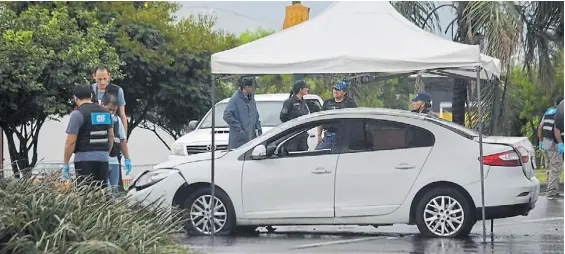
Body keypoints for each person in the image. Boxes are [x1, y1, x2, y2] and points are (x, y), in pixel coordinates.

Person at [63, 85, 114, 187]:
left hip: (84, 160)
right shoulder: (105, 112)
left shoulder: (77, 114)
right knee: (101, 194)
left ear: (75, 98)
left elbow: (71, 142)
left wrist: (65, 163)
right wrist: (105, 153)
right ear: (91, 96)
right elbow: (111, 136)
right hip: (103, 160)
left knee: (86, 197)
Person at [91, 65, 128, 190]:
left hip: (113, 132)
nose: (102, 82)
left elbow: (122, 115)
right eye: (99, 79)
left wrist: (124, 140)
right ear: (94, 77)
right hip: (96, 136)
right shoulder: (91, 91)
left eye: (104, 79)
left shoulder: (117, 91)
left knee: (115, 183)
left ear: (109, 76)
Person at [101, 94, 132, 193]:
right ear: (102, 104)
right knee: (106, 191)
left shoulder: (117, 120)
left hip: (114, 160)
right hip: (102, 161)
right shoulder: (97, 119)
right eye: (109, 109)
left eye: (113, 111)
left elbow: (122, 140)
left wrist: (127, 159)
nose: (111, 113)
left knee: (114, 191)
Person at [223, 77, 262, 149]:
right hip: (239, 143)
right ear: (247, 87)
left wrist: (259, 130)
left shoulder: (251, 100)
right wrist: (240, 130)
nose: (255, 90)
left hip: (251, 141)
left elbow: (256, 116)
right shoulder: (235, 99)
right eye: (253, 88)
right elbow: (226, 115)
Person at [316, 81, 357, 150]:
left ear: (344, 92)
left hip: (344, 136)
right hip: (328, 135)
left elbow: (356, 121)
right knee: (318, 153)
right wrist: (319, 135)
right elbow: (320, 120)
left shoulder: (350, 103)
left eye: (338, 89)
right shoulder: (327, 103)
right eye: (334, 89)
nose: (335, 91)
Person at [538, 97, 564, 200]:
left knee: (550, 167)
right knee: (556, 167)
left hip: (545, 143)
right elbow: (556, 130)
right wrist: (561, 143)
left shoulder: (549, 112)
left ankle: (550, 189)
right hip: (554, 144)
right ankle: (552, 192)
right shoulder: (560, 113)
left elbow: (540, 127)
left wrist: (540, 141)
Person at [280, 80, 311, 151]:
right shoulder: (289, 102)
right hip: (292, 135)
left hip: (302, 134)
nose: (307, 89)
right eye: (306, 87)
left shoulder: (303, 102)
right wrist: (292, 125)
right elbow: (282, 117)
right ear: (300, 89)